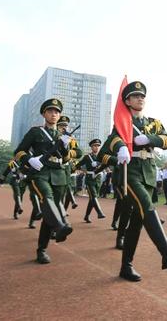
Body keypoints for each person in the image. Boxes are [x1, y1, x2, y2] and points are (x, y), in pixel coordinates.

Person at [97, 81, 167, 281]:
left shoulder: (153, 123)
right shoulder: (121, 124)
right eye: (136, 96)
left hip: (148, 173)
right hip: (129, 174)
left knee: (137, 222)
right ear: (127, 101)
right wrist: (120, 149)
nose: (141, 98)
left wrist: (150, 139)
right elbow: (103, 153)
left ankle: (126, 266)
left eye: (142, 96)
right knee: (146, 206)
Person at [14, 98, 79, 264]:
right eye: (50, 111)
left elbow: (65, 159)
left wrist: (64, 146)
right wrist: (30, 160)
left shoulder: (62, 136)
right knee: (47, 197)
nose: (54, 114)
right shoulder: (35, 132)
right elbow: (19, 151)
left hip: (59, 174)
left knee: (50, 212)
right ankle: (61, 226)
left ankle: (41, 249)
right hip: (40, 173)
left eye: (57, 112)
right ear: (44, 114)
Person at [76, 139, 106, 223]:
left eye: (97, 146)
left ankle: (86, 216)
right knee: (93, 195)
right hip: (90, 178)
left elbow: (106, 165)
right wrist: (83, 171)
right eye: (94, 146)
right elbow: (78, 165)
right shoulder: (87, 157)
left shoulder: (102, 156)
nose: (96, 147)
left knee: (92, 198)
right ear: (91, 147)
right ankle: (99, 212)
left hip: (98, 178)